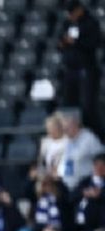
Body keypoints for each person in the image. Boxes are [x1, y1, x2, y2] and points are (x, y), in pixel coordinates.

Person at [59, 1, 102, 135]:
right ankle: (72, 134)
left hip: (87, 69)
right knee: (69, 104)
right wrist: (63, 43)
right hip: (70, 69)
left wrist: (76, 42)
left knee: (88, 107)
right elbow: (61, 41)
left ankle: (94, 135)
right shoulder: (68, 24)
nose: (71, 15)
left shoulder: (91, 23)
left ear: (79, 10)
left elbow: (96, 43)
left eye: (72, 12)